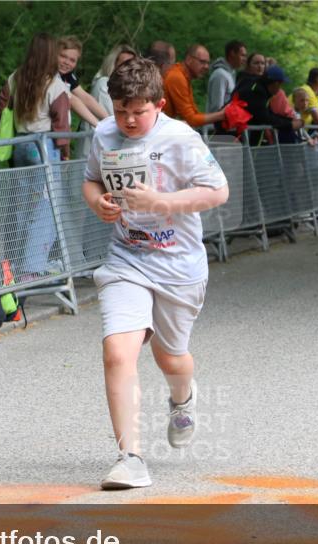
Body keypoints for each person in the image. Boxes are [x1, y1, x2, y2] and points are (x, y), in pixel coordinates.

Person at [82, 57, 229, 489]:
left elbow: (218, 191)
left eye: (138, 111)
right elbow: (91, 180)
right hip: (127, 258)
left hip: (179, 265)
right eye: (120, 109)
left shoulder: (180, 138)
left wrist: (162, 203)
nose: (127, 120)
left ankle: (182, 398)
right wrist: (98, 203)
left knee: (171, 358)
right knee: (118, 351)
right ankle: (130, 458)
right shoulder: (103, 133)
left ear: (159, 104)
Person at [0, 32, 70, 278]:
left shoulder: (16, 77)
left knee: (20, 205)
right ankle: (32, 266)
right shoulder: (55, 85)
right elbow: (61, 127)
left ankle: (13, 262)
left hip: (20, 146)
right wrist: (66, 153)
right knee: (44, 209)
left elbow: (2, 106)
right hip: (45, 149)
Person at [162, 44, 226, 127]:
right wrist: (221, 115)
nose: (206, 67)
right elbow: (191, 119)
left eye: (208, 63)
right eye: (202, 62)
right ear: (189, 60)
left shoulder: (184, 76)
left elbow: (194, 114)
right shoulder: (177, 77)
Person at [58, 36, 109, 127]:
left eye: (72, 60)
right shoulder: (48, 74)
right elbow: (71, 99)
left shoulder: (67, 75)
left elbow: (84, 97)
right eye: (63, 56)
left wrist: (110, 120)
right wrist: (100, 127)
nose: (66, 62)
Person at [91, 45, 138, 113]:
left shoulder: (130, 89)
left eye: (132, 64)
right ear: (113, 65)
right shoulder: (104, 84)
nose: (129, 67)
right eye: (124, 64)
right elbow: (115, 117)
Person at [206, 40, 246, 113]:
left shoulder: (231, 74)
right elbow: (217, 107)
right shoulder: (220, 75)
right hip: (215, 123)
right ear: (232, 53)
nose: (244, 59)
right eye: (242, 55)